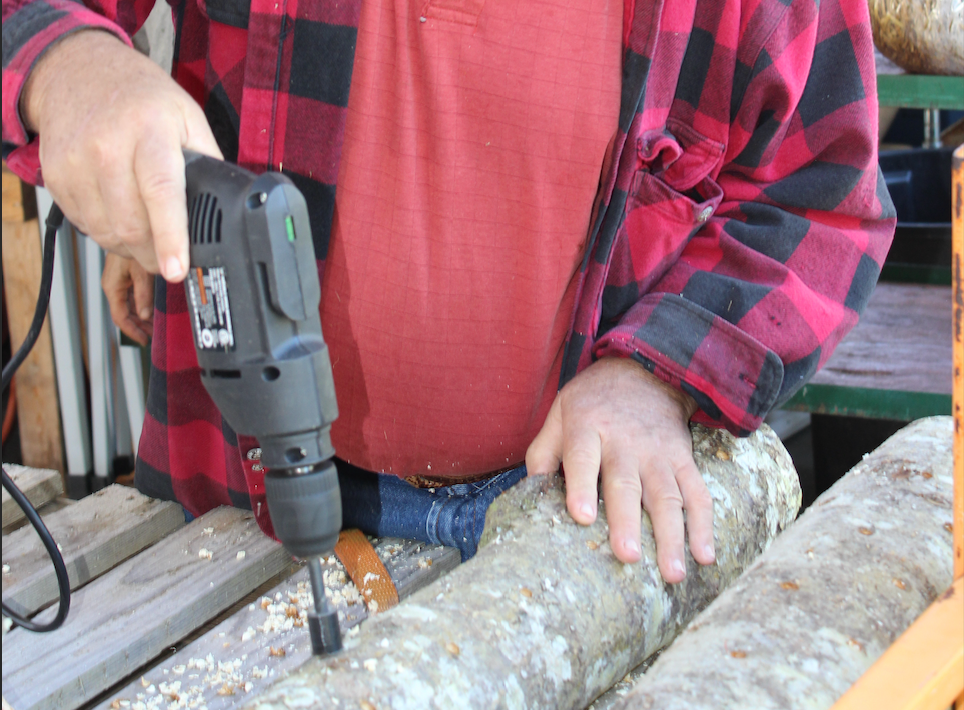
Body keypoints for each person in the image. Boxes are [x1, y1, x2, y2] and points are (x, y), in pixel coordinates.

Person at [2, 0, 895, 580]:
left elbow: (823, 200)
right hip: (239, 490)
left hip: (575, 530)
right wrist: (71, 68)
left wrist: (653, 375)